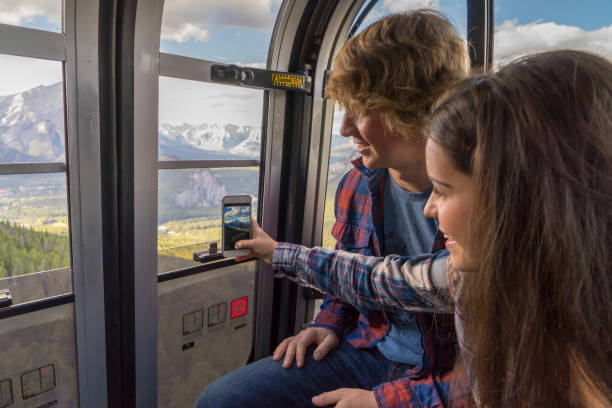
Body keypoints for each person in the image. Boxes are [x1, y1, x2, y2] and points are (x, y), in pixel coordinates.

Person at [236, 50, 612, 407]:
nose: (431, 208)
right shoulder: (469, 272)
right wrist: (280, 257)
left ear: (520, 197)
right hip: (369, 349)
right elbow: (379, 279)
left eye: (444, 191)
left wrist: (386, 401)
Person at [195, 9, 468, 408]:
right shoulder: (357, 184)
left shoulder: (480, 202)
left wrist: (277, 253)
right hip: (368, 351)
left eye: (361, 109)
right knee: (222, 401)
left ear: (411, 106)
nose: (344, 129)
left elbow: (391, 281)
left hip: (449, 371)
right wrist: (330, 324)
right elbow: (350, 273)